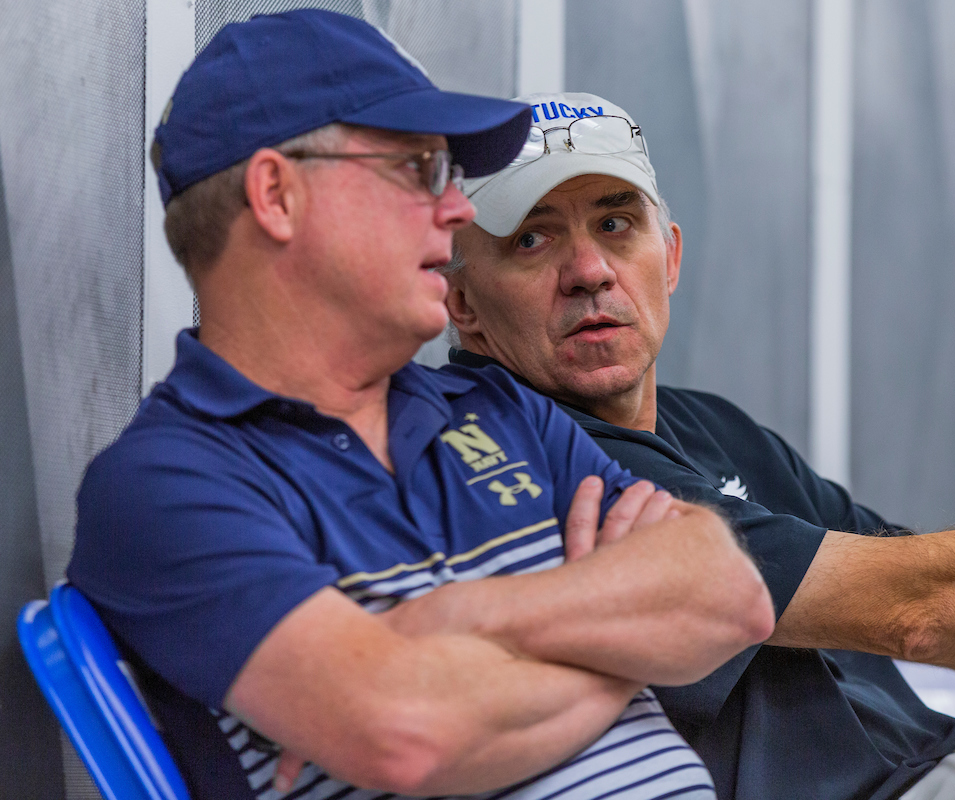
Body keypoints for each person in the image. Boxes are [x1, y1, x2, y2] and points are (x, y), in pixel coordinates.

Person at [65, 19, 774, 800]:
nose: (458, 211)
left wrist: (456, 618)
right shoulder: (165, 484)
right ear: (276, 195)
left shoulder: (501, 408)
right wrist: (622, 645)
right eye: (420, 168)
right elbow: (407, 734)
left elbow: (729, 598)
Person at [442, 89, 955, 800]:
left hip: (951, 758)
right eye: (534, 238)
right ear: (463, 305)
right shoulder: (525, 452)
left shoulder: (704, 422)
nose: (590, 271)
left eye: (615, 224)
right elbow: (925, 611)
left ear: (668, 258)